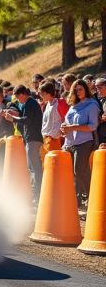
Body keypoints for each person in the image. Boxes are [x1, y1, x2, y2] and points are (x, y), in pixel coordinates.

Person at [61, 79, 99, 210]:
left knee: (79, 171)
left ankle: (92, 197)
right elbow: (68, 123)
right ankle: (78, 200)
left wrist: (72, 127)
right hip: (70, 142)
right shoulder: (73, 106)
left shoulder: (92, 105)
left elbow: (92, 126)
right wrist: (64, 127)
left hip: (84, 142)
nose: (78, 92)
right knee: (74, 173)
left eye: (80, 89)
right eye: (75, 90)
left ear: (86, 89)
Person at [2, 85, 44, 202]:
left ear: (22, 94)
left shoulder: (30, 103)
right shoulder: (28, 103)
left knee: (35, 169)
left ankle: (38, 195)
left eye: (17, 97)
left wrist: (13, 118)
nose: (17, 100)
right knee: (32, 168)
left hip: (33, 138)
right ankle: (36, 194)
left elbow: (27, 119)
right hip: (30, 138)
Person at [39, 81, 65, 158]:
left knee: (53, 163)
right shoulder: (47, 104)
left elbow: (64, 119)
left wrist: (57, 133)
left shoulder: (59, 103)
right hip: (45, 138)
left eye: (42, 94)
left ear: (48, 93)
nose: (41, 95)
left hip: (54, 138)